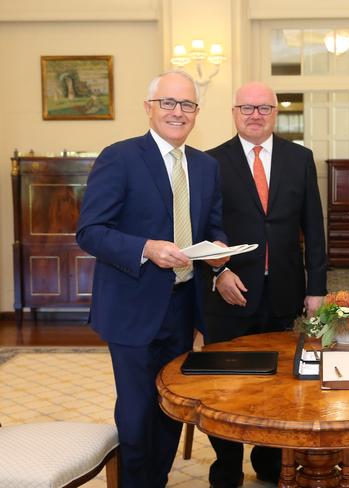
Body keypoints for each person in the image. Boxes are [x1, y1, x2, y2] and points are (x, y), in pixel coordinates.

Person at [76, 70, 228, 488]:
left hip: (183, 305)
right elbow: (90, 232)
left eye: (188, 105)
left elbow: (214, 227)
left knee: (170, 404)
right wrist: (146, 248)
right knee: (138, 408)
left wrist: (220, 254)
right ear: (149, 107)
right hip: (131, 305)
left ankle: (156, 480)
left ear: (197, 112)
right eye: (169, 103)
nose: (178, 113)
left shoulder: (206, 166)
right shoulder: (119, 157)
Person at [202, 81, 328, 487]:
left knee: (277, 384)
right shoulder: (210, 162)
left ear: (276, 113)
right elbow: (203, 227)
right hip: (229, 289)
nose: (255, 115)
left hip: (284, 291)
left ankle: (269, 459)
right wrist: (218, 271)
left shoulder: (300, 158)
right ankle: (226, 463)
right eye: (246, 108)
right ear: (234, 112)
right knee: (227, 383)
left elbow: (314, 227)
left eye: (264, 108)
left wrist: (316, 289)